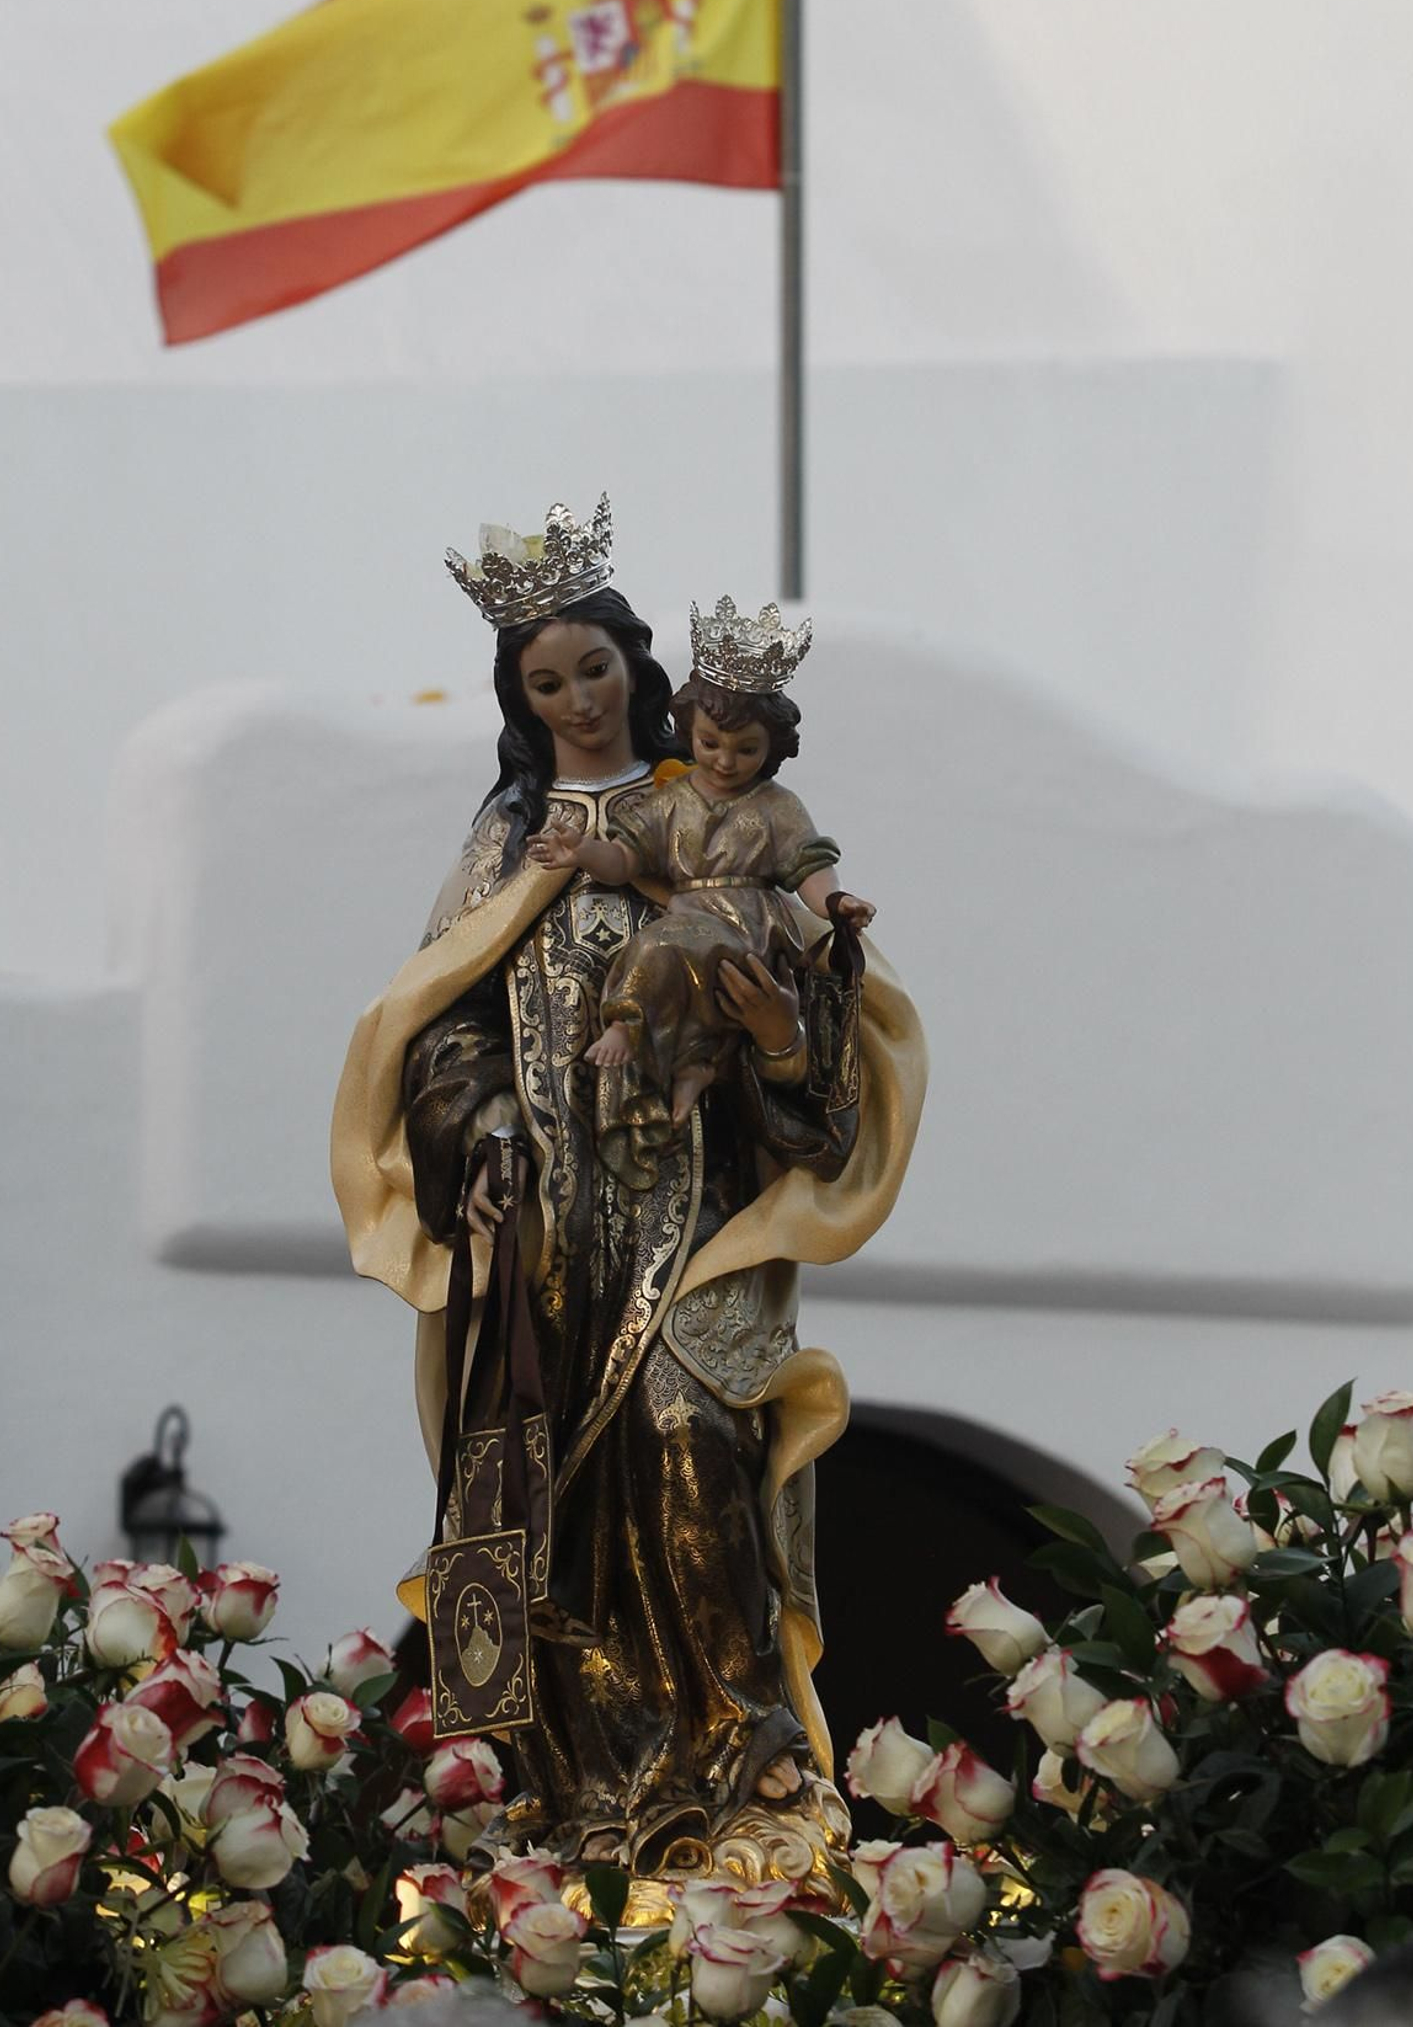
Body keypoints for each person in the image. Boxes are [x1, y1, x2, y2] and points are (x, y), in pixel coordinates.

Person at [331, 497, 927, 1878]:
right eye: (546, 683)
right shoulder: (508, 843)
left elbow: (821, 1085)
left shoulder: (710, 818)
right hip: (547, 1248)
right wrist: (475, 1140)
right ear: (519, 699)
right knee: (552, 1517)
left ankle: (747, 1764)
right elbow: (443, 1025)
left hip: (695, 1223)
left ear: (635, 666)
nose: (579, 699)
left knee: (688, 1441)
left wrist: (782, 1032)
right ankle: (565, 1788)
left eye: (594, 669)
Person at [526, 595, 875, 1188]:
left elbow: (808, 866)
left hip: (748, 928)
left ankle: (627, 1023)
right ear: (689, 733)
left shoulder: (777, 808)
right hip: (694, 923)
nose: (727, 760)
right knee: (687, 970)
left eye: (746, 750)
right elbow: (623, 859)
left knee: (661, 950)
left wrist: (835, 904)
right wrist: (581, 851)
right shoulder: (668, 801)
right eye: (712, 744)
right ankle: (694, 1068)